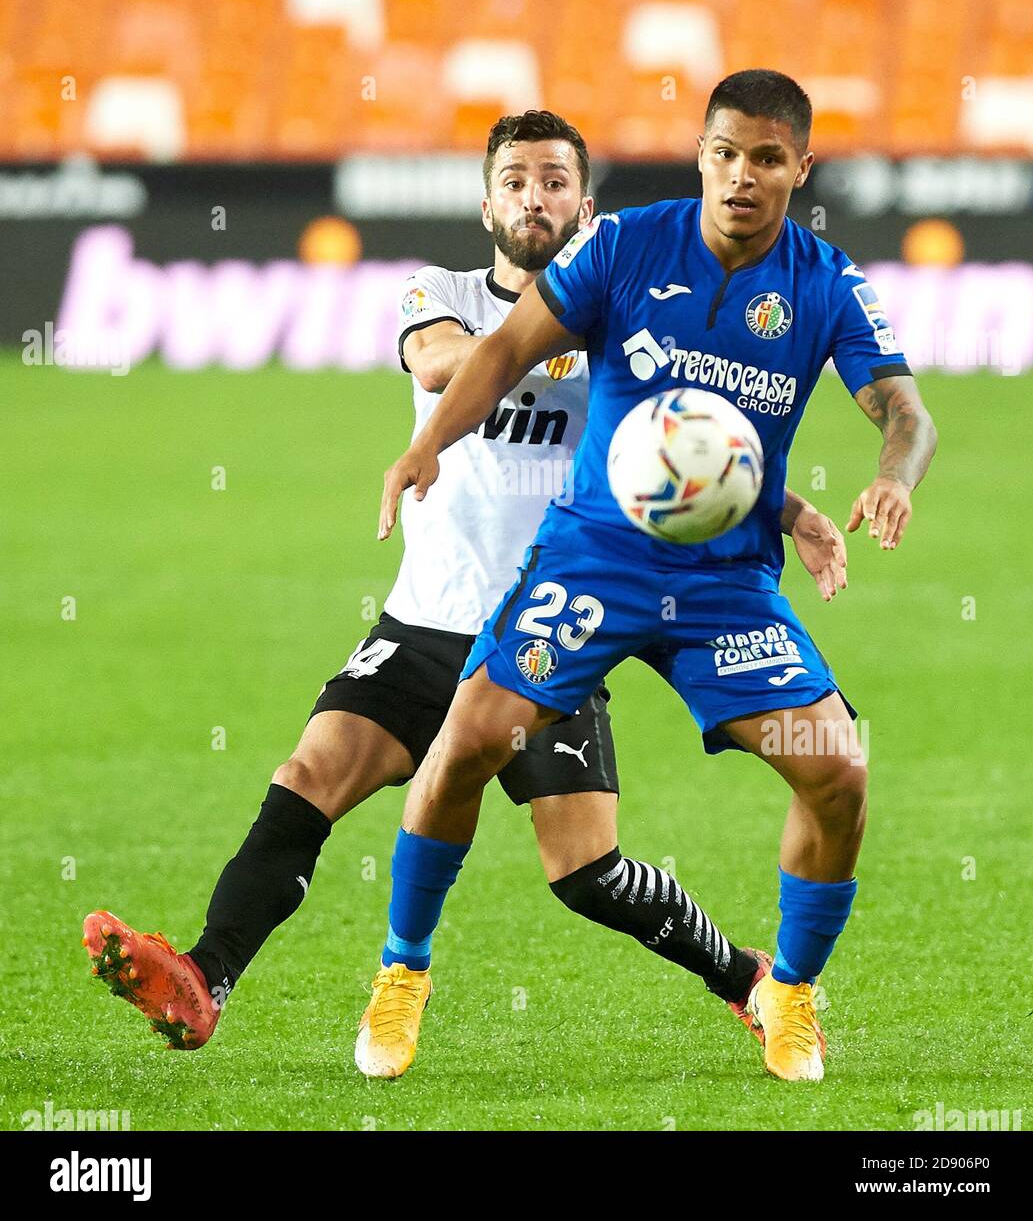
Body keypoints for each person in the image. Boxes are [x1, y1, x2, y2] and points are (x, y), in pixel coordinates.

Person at [82, 109, 847, 1066]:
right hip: (428, 619)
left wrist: (790, 511)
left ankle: (748, 980)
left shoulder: (626, 307)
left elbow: (693, 450)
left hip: (553, 629)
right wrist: (540, 344)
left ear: (586, 202)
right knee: (306, 780)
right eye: (517, 180)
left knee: (587, 873)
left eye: (556, 180)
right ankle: (204, 977)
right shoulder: (434, 291)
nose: (536, 196)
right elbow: (444, 360)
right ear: (487, 201)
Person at [367, 72, 938, 1084]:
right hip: (594, 557)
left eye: (765, 159)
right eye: (723, 153)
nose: (740, 176)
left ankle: (788, 992)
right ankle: (402, 972)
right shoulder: (623, 245)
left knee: (835, 770)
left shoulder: (826, 282)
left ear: (798, 168)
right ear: (701, 154)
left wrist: (891, 476)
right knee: (461, 748)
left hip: (723, 584)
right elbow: (501, 351)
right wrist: (427, 447)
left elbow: (903, 408)